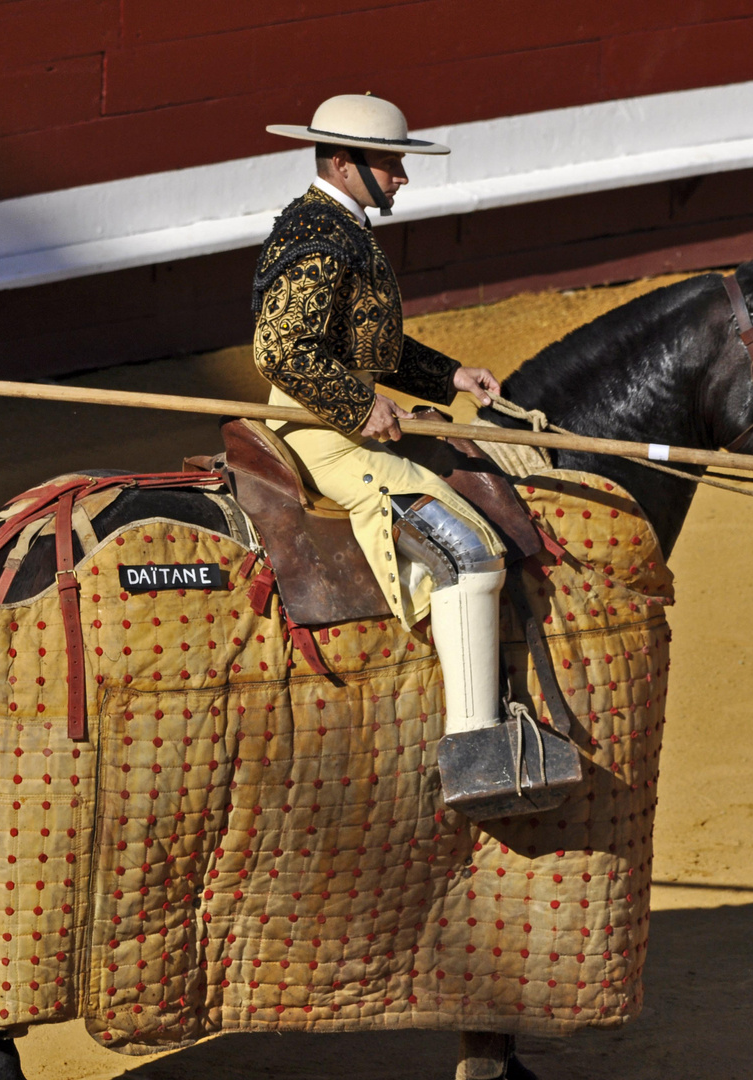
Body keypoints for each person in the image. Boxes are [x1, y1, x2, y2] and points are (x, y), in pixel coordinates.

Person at [255, 93, 508, 737]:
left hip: (334, 418)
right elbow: (281, 350)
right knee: (468, 548)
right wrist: (359, 404)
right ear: (343, 162)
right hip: (319, 434)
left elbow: (371, 346)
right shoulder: (319, 235)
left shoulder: (335, 224)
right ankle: (477, 743)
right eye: (390, 162)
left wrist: (449, 375)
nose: (403, 175)